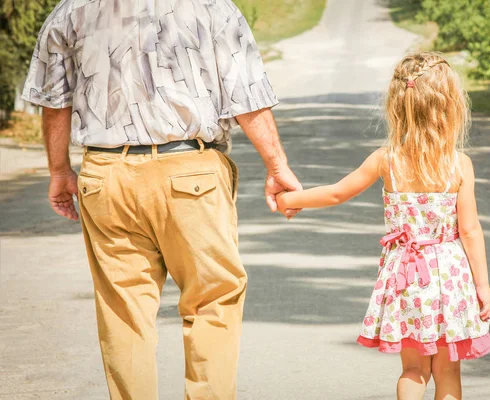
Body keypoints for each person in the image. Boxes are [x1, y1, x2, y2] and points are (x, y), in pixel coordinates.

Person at [21, 0, 301, 398]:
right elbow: (247, 94)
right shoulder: (212, 7)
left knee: (124, 313)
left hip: (107, 176)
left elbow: (54, 100)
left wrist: (58, 170)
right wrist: (277, 166)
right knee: (212, 301)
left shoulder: (72, 10)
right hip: (192, 172)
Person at [276, 52, 490, 400]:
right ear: (450, 106)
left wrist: (288, 199)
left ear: (398, 105)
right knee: (448, 371)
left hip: (406, 277)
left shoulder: (387, 159)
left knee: (413, 370)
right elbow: (469, 230)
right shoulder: (459, 165)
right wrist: (482, 285)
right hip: (450, 281)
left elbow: (335, 194)